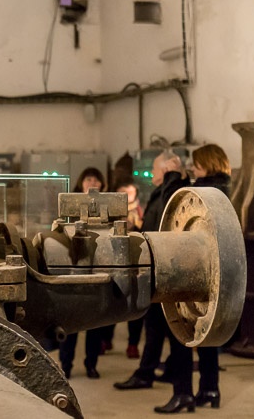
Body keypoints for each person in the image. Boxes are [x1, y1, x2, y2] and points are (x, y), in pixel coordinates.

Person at [156, 144, 232, 414]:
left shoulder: (204, 191)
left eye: (197, 166)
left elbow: (171, 209)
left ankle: (183, 393)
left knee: (182, 334)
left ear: (208, 165)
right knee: (206, 334)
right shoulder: (225, 189)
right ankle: (210, 389)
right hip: (216, 274)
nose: (193, 169)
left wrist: (172, 177)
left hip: (191, 269)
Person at [113, 151, 190, 401]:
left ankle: (179, 388)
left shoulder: (172, 189)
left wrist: (173, 176)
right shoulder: (161, 191)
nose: (152, 173)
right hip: (158, 267)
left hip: (167, 269)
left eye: (156, 169)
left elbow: (168, 218)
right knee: (155, 326)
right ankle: (148, 372)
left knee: (170, 329)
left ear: (167, 169)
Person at [59, 167, 106, 379]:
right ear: (81, 182)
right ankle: (66, 365)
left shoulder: (107, 205)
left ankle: (91, 364)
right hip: (73, 267)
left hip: (98, 266)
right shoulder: (71, 204)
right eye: (88, 179)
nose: (92, 183)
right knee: (70, 321)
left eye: (96, 179)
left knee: (95, 324)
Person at [116, 180, 144, 359]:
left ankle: (133, 344)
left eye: (130, 193)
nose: (126, 197)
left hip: (137, 258)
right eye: (122, 192)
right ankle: (105, 339)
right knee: (112, 301)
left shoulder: (141, 211)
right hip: (114, 258)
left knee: (135, 303)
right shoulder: (111, 209)